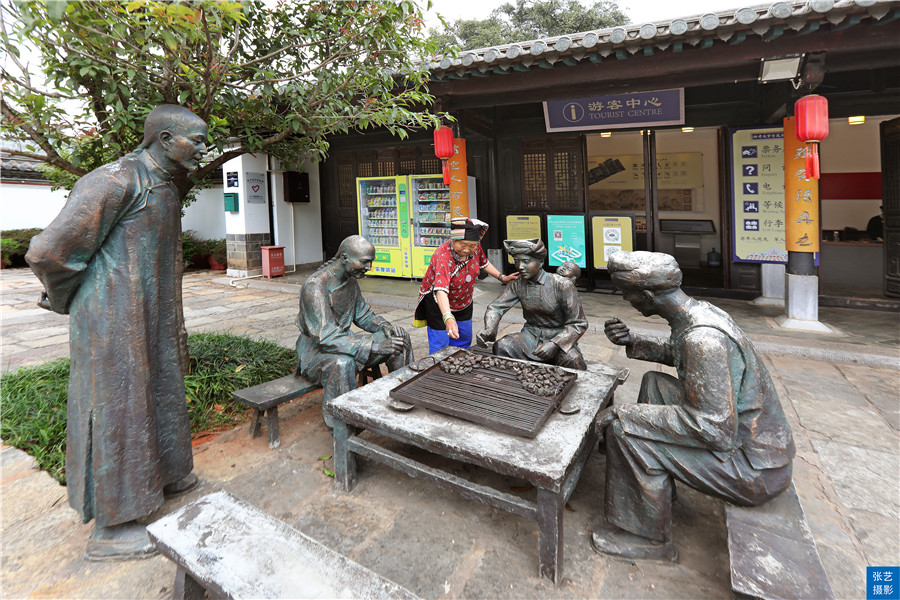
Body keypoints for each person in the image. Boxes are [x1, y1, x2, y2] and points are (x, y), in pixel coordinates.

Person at [25, 104, 206, 561]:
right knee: (119, 403)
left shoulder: (164, 184)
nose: (204, 148)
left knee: (160, 386)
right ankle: (113, 523)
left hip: (151, 310)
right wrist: (71, 298)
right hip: (111, 317)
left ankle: (165, 474)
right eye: (196, 139)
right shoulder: (115, 180)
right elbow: (48, 251)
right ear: (164, 140)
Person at [591, 251, 795, 561]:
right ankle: (654, 490)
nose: (625, 300)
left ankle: (648, 539)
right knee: (655, 384)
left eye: (626, 293)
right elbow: (680, 354)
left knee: (624, 432)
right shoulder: (696, 313)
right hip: (752, 448)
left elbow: (714, 430)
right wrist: (632, 341)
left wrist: (622, 412)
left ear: (646, 296)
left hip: (753, 470)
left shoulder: (703, 340)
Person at [296, 235, 412, 429]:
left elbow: (364, 315)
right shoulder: (315, 286)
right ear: (345, 259)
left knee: (399, 338)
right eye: (365, 262)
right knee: (343, 363)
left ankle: (403, 395)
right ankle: (342, 425)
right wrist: (374, 347)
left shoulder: (350, 281)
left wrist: (384, 326)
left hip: (344, 342)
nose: (369, 267)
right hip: (316, 352)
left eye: (371, 262)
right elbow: (325, 336)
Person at [475, 239, 588, 370]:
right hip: (530, 336)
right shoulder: (517, 283)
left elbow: (579, 323)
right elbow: (496, 308)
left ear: (540, 262)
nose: (520, 267)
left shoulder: (562, 285)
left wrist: (554, 344)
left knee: (573, 361)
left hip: (559, 336)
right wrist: (490, 328)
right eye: (517, 262)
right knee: (503, 347)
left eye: (526, 261)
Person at [414, 218, 517, 354]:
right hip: (438, 303)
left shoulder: (475, 247)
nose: (467, 249)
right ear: (454, 240)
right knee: (441, 342)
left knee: (463, 337)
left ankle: (459, 361)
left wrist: (502, 277)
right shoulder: (444, 256)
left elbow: (483, 263)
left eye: (472, 245)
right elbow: (441, 291)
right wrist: (448, 318)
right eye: (463, 244)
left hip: (464, 299)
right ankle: (437, 364)